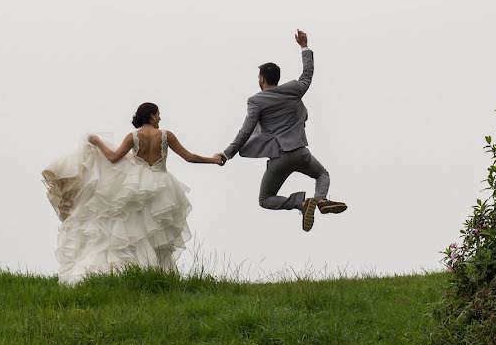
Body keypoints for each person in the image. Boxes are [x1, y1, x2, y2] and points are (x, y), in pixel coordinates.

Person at [42, 103, 223, 284]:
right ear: (152, 116)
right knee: (156, 233)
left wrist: (97, 142)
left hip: (137, 185)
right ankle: (154, 272)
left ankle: (141, 269)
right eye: (158, 114)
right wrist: (213, 160)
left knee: (138, 230)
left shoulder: (133, 137)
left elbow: (113, 158)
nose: (160, 118)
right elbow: (189, 157)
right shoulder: (166, 135)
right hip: (163, 187)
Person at [218, 30, 347, 232]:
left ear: (262, 79)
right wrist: (304, 46)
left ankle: (301, 203)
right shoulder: (294, 89)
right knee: (322, 174)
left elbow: (245, 131)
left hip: (279, 158)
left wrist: (227, 153)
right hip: (301, 152)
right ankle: (320, 199)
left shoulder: (256, 101)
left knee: (265, 199)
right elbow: (307, 73)